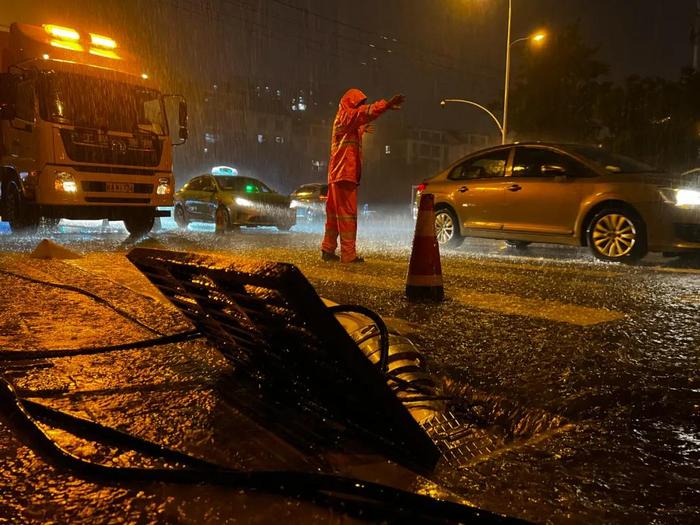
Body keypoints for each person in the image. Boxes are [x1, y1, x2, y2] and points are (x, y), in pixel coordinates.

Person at [321, 89, 405, 263]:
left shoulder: (342, 119)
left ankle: (327, 249)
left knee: (334, 215)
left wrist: (361, 130)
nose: (360, 106)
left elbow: (351, 129)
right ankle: (348, 254)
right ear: (351, 104)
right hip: (345, 173)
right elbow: (363, 114)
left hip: (336, 174)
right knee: (347, 216)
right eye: (358, 103)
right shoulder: (346, 116)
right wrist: (386, 105)